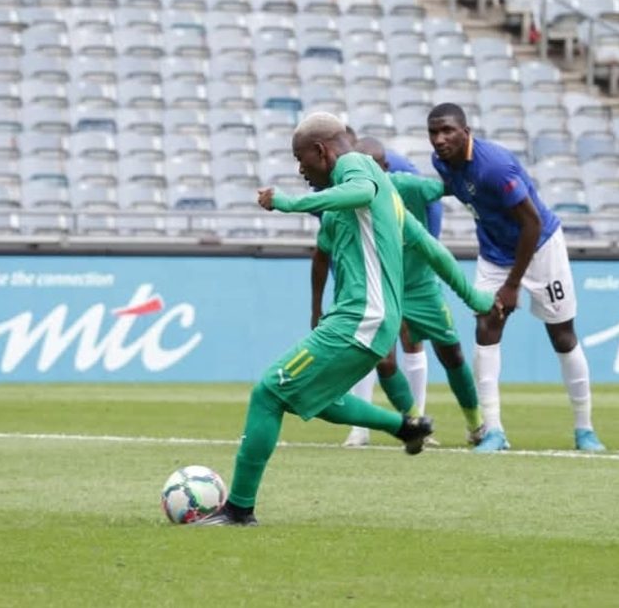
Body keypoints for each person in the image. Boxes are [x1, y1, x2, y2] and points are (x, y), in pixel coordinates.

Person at [198, 113, 434, 527]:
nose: (300, 170)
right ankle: (406, 427)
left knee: (269, 393)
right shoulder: (352, 184)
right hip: (368, 320)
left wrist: (287, 202)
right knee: (318, 398)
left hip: (360, 318)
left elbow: (359, 190)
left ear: (321, 151)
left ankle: (238, 509)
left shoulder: (353, 167)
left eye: (300, 159)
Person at [427, 102, 605, 453]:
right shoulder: (441, 162)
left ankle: (585, 430)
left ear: (467, 130)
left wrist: (512, 285)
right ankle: (493, 430)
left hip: (540, 248)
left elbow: (532, 223)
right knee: (485, 326)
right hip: (494, 252)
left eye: (448, 130)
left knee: (562, 334)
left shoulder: (495, 166)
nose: (440, 139)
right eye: (433, 132)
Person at [317, 137, 488, 447]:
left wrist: (480, 188)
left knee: (451, 352)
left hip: (422, 286)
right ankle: (414, 423)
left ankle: (476, 424)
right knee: (383, 362)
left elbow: (449, 188)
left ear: (384, 168)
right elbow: (323, 252)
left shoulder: (408, 187)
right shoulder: (345, 201)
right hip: (383, 289)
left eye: (372, 167)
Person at [339, 137, 445, 445]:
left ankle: (419, 419)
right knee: (369, 342)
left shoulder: (399, 170)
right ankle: (362, 428)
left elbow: (431, 204)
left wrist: (423, 251)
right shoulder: (337, 175)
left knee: (410, 338)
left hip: (405, 262)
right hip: (367, 261)